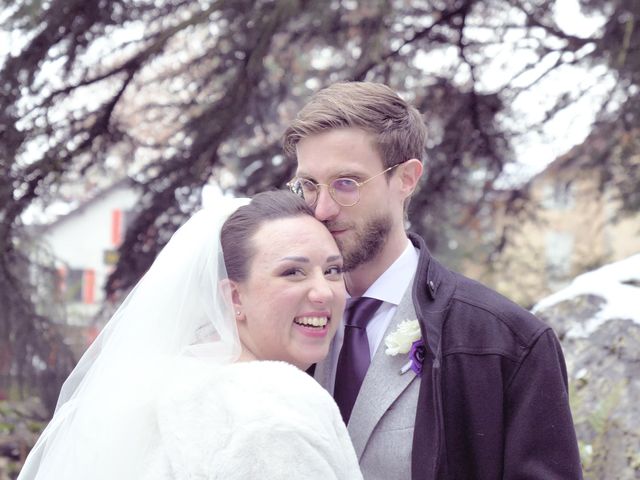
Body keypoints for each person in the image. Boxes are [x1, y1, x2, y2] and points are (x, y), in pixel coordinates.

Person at [283, 81, 583, 479]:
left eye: (346, 184)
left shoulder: (508, 342)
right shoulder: (279, 321)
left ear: (406, 178)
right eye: (308, 185)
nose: (321, 209)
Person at [18, 191, 363, 480]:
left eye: (332, 270)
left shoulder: (166, 383)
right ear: (234, 297)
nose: (324, 291)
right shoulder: (276, 402)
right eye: (293, 272)